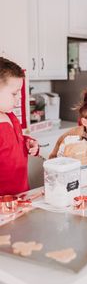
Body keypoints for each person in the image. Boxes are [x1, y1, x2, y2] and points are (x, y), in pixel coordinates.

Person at [0, 57, 39, 195]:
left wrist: (28, 142)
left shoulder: (10, 116)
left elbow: (15, 142)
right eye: (14, 93)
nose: (19, 98)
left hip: (21, 193)